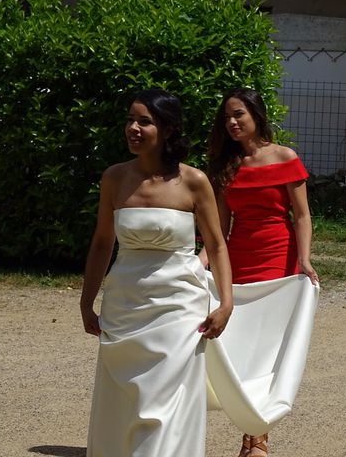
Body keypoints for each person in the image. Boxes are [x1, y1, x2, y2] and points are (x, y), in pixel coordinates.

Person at [79, 89, 233, 457]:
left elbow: (217, 245)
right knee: (126, 395)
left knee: (166, 399)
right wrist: (87, 302)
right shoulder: (114, 179)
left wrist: (227, 303)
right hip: (125, 302)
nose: (133, 128)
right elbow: (102, 243)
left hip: (179, 304)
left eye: (143, 121)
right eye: (130, 120)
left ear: (166, 129)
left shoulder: (193, 181)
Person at [199, 87, 318, 457]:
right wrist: (200, 261)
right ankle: (252, 430)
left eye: (239, 115)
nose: (232, 123)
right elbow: (219, 225)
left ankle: (257, 439)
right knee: (242, 349)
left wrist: (305, 259)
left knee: (269, 350)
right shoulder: (226, 167)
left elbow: (301, 215)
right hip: (238, 261)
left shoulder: (285, 158)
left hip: (279, 258)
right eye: (227, 118)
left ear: (256, 115)